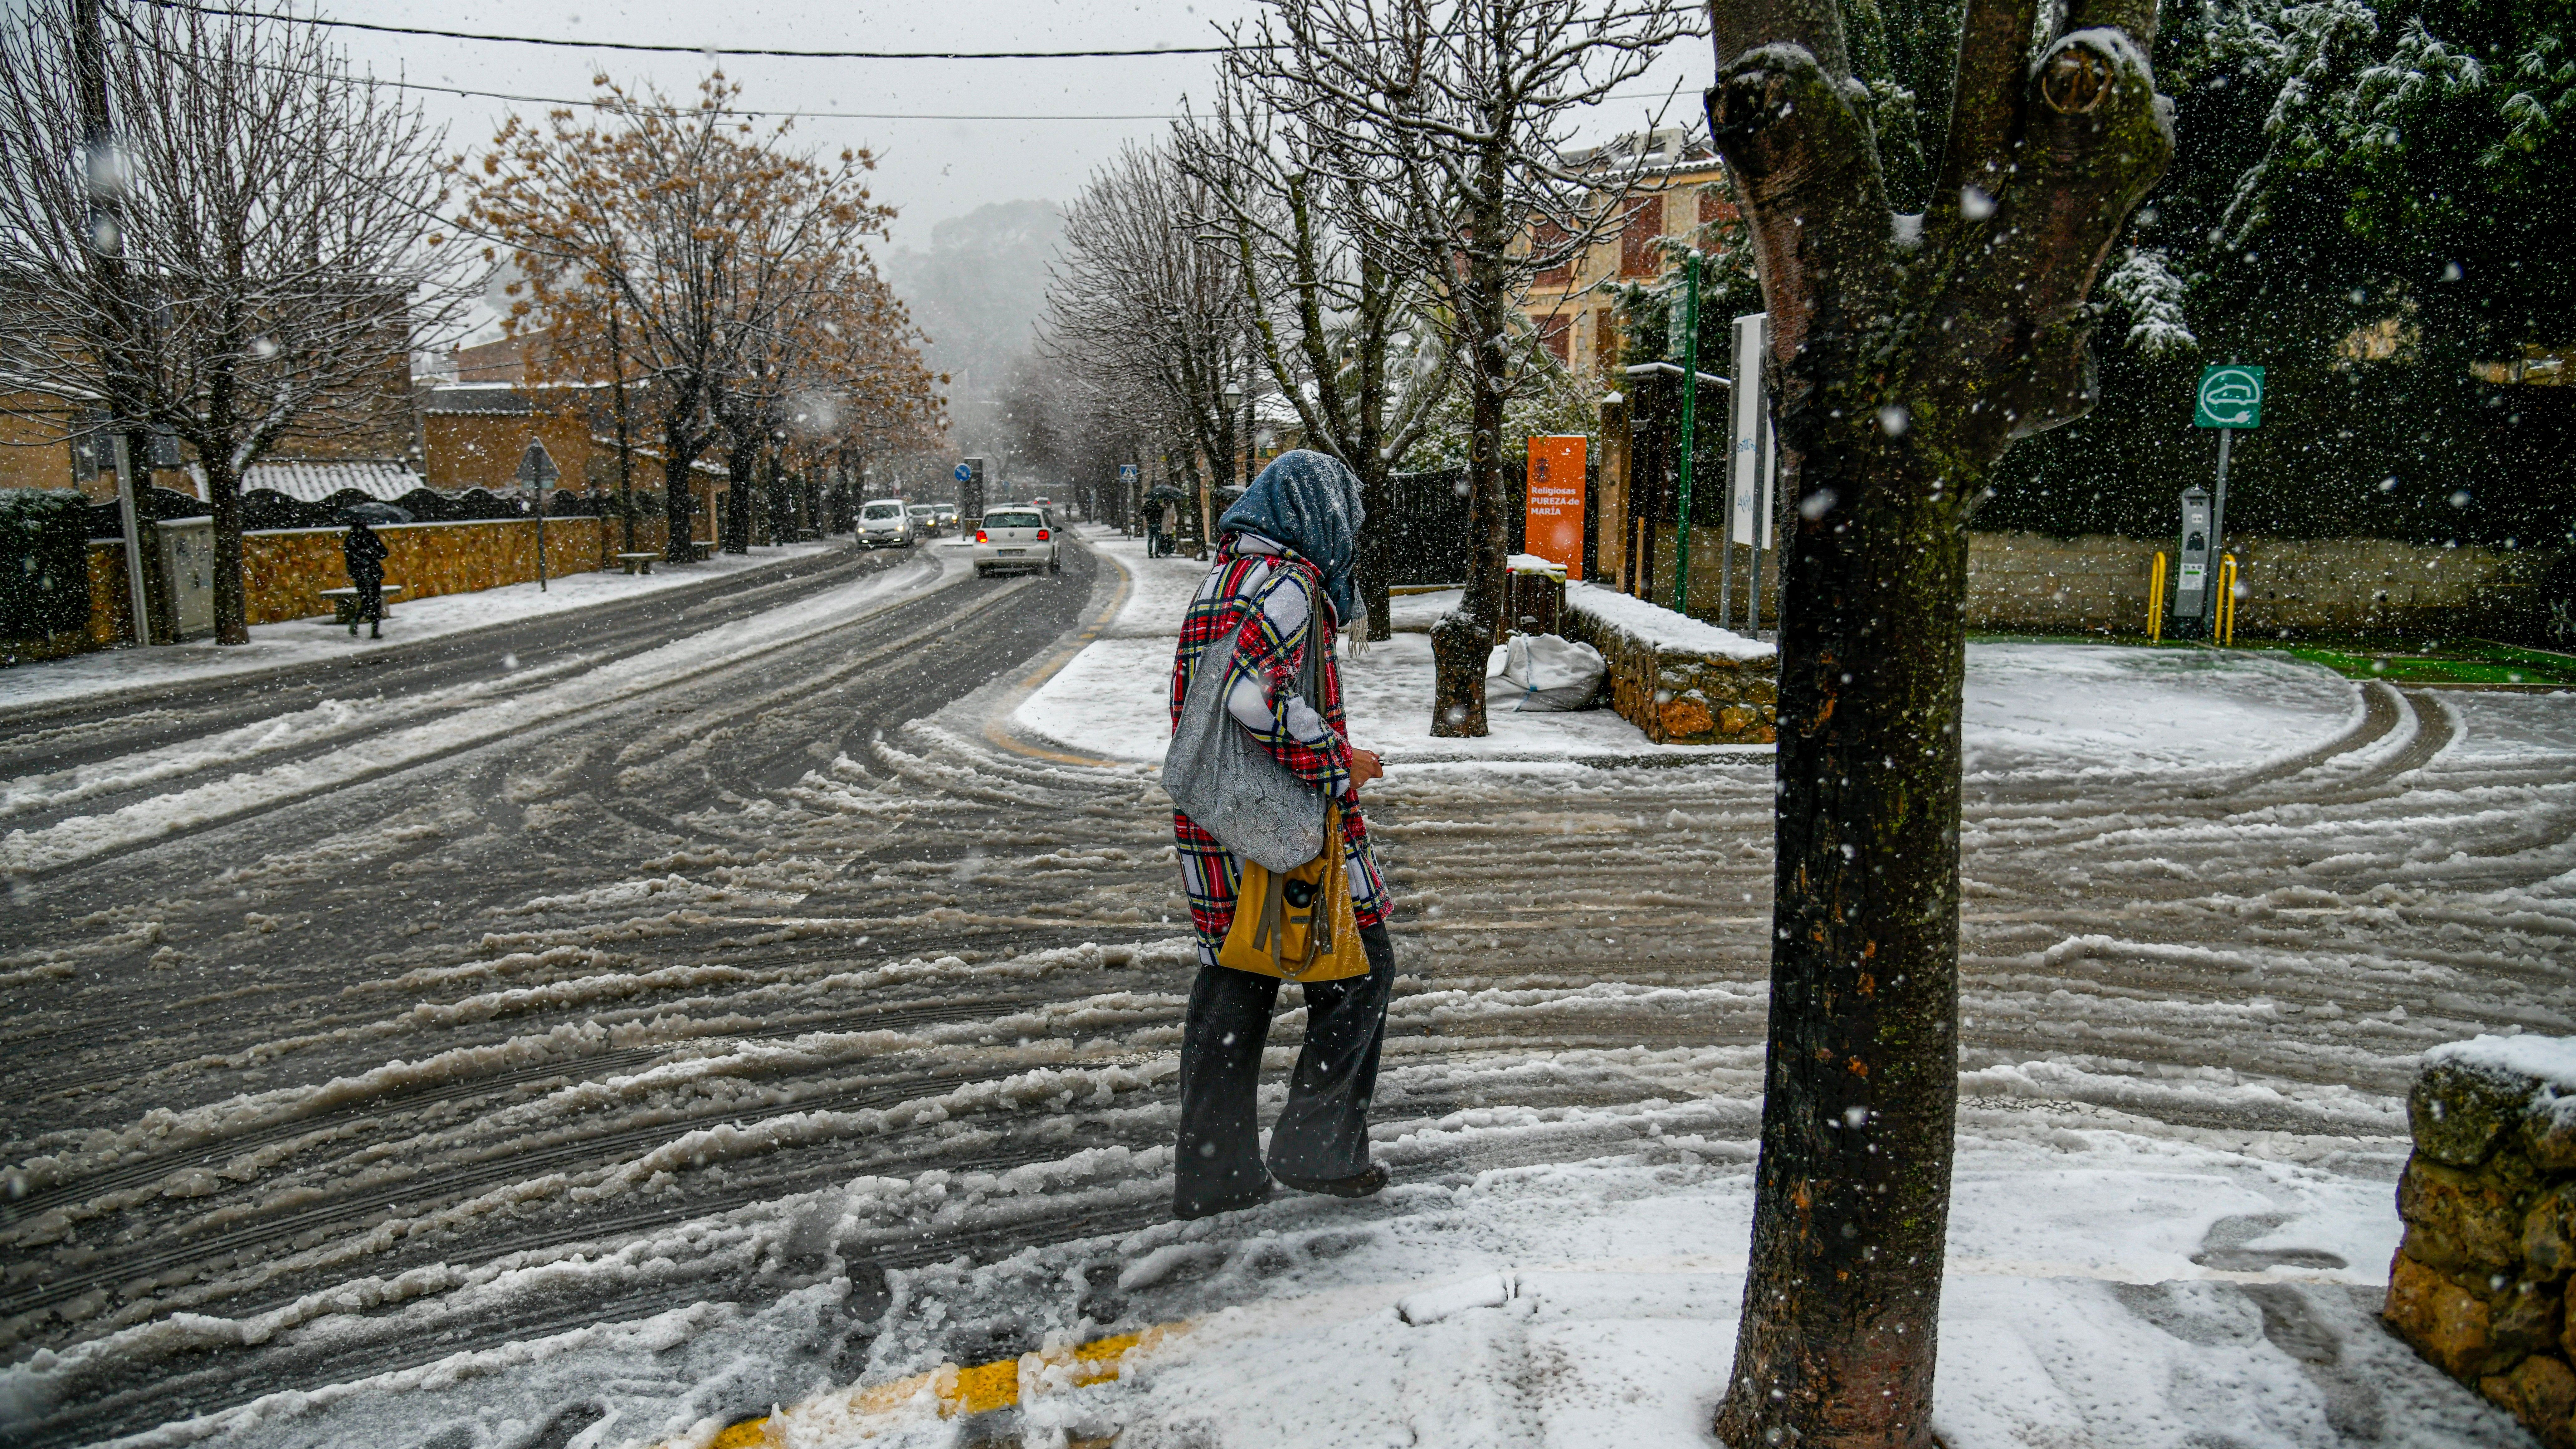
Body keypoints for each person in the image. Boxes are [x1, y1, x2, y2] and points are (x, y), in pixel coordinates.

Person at [1168, 449, 1393, 1220]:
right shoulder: (1290, 585)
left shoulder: (1226, 575)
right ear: (1316, 515)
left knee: (1234, 987)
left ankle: (1215, 1172)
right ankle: (1317, 1148)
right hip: (1278, 820)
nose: (1349, 533)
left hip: (1215, 820)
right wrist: (1338, 759)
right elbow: (1247, 700)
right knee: (1362, 968)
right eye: (1346, 518)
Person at [342, 519, 388, 639]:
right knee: (375, 600)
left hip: (359, 574)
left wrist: (355, 571)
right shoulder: (370, 536)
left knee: (366, 599)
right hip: (372, 572)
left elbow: (349, 559)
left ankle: (357, 619)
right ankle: (374, 631)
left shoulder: (350, 539)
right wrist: (372, 554)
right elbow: (383, 553)